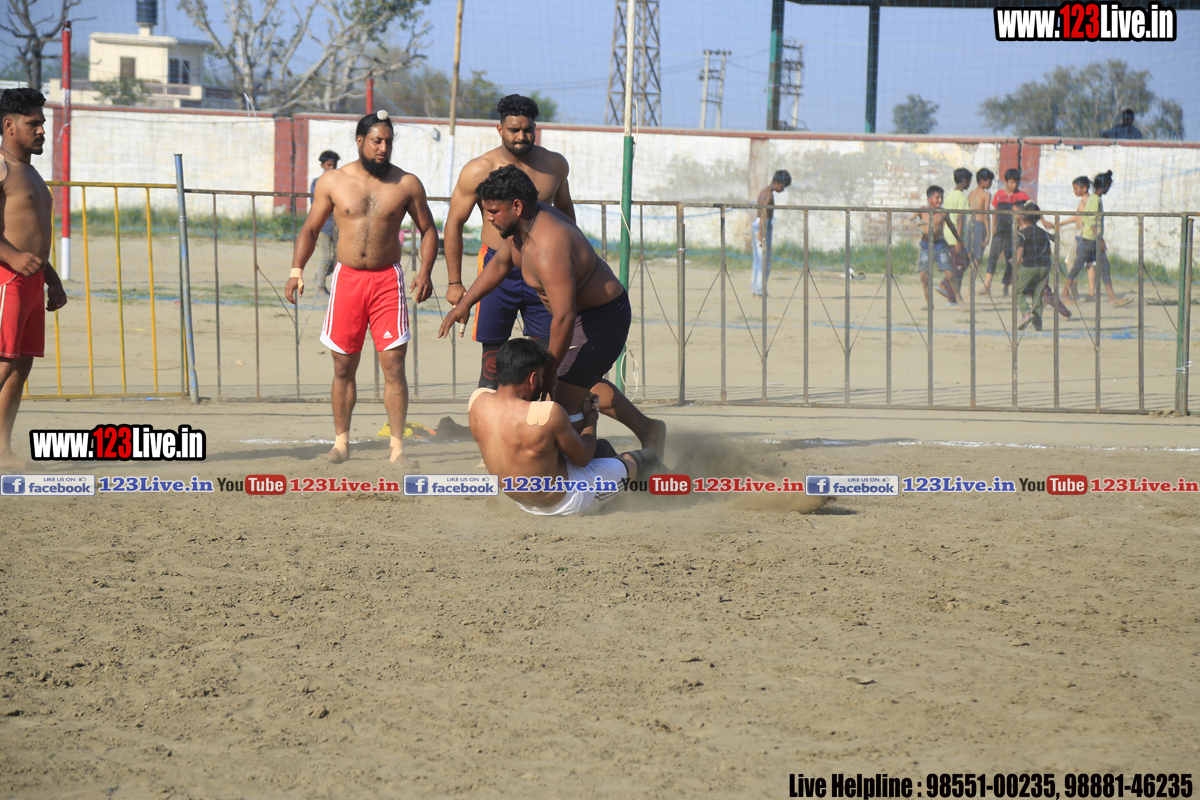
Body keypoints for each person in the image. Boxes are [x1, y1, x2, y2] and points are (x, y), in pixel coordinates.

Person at [439, 166, 665, 460]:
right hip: (573, 316)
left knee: (559, 397)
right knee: (576, 380)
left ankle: (595, 460)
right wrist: (465, 303)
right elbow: (500, 264)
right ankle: (648, 429)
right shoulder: (519, 228)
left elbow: (564, 317)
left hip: (601, 318)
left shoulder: (548, 246)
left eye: (493, 211)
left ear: (517, 206)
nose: (488, 218)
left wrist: (550, 374)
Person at [286, 110, 439, 468]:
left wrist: (425, 271)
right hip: (347, 281)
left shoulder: (407, 184)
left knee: (394, 365)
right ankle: (341, 444)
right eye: (376, 141)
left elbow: (429, 229)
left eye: (388, 141)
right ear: (360, 141)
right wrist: (296, 271)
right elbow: (310, 229)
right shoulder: (333, 181)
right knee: (343, 367)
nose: (383, 147)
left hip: (387, 281)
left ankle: (397, 448)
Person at [444, 94, 573, 390]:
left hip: (542, 266)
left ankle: (539, 414)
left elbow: (566, 212)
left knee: (546, 354)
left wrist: (571, 264)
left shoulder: (554, 165)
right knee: (492, 359)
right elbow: (453, 224)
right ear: (500, 129)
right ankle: (488, 413)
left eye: (528, 129)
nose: (521, 136)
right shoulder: (478, 169)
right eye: (514, 130)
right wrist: (454, 282)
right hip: (496, 266)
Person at [469, 338, 659, 516]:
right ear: (533, 378)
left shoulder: (477, 401)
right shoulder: (547, 413)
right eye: (542, 377)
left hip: (524, 502)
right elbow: (583, 458)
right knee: (646, 458)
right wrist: (591, 418)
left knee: (603, 449)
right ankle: (670, 492)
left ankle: (624, 485)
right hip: (567, 501)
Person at [0, 88, 67, 471]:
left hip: (31, 282)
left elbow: (32, 237)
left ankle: (1, 450)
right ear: (9, 125)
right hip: (5, 281)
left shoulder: (31, 172)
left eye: (43, 122)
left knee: (19, 367)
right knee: (2, 364)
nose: (42, 130)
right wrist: (12, 257)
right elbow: (12, 245)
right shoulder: (1, 166)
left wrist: (51, 279)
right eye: (34, 123)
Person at [1064, 171, 1129, 307]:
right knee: (1078, 266)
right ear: (1105, 186)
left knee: (1104, 267)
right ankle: (1064, 294)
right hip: (1089, 239)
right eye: (1108, 187)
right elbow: (1092, 219)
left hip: (1092, 238)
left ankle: (1112, 298)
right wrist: (1099, 239)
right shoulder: (1095, 199)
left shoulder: (1093, 199)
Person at [980, 168, 1029, 297]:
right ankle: (987, 285)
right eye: (1012, 182)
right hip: (1000, 231)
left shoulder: (1022, 196)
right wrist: (993, 226)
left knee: (1011, 260)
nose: (1014, 185)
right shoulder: (999, 194)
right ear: (1006, 182)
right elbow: (995, 211)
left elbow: (1029, 212)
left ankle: (1006, 286)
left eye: (1017, 182)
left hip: (1014, 233)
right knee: (992, 257)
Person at [910, 185, 959, 307]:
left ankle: (959, 298)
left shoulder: (943, 212)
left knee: (949, 274)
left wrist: (959, 240)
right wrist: (916, 224)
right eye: (937, 198)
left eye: (941, 198)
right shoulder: (922, 210)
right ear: (929, 199)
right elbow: (908, 220)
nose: (940, 200)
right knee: (923, 276)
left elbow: (951, 226)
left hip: (940, 245)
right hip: (925, 246)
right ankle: (929, 303)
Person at [1014, 202, 1055, 331]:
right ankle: (1038, 324)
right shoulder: (1044, 233)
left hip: (1028, 267)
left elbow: (1020, 251)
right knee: (1037, 295)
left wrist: (1015, 261)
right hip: (1043, 267)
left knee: (1017, 292)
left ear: (1024, 217)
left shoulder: (1022, 233)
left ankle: (1026, 313)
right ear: (1038, 218)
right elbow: (1049, 252)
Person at [751, 170, 791, 297]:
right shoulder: (769, 195)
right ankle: (760, 291)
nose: (782, 190)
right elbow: (764, 211)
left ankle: (755, 289)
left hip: (757, 223)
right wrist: (761, 231)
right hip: (763, 225)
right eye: (782, 186)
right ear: (776, 182)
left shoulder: (763, 191)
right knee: (765, 261)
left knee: (758, 260)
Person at [308, 150, 340, 295]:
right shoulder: (317, 182)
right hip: (324, 225)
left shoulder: (341, 181)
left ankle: (320, 276)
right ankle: (320, 285)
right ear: (322, 165)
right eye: (329, 165)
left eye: (334, 165)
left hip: (340, 226)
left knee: (341, 257)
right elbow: (316, 203)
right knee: (326, 257)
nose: (331, 168)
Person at [939, 167, 972, 305]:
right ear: (965, 181)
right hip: (955, 237)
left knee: (964, 262)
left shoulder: (949, 195)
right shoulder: (962, 198)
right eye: (969, 181)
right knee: (958, 265)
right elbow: (960, 219)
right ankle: (950, 296)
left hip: (948, 234)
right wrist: (959, 240)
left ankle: (945, 284)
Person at [967, 167, 994, 269]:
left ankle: (971, 279)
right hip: (979, 225)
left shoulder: (971, 193)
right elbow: (986, 215)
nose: (991, 183)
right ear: (982, 181)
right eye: (989, 181)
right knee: (977, 258)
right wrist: (988, 234)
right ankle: (972, 279)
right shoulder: (986, 194)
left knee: (971, 256)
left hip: (969, 224)